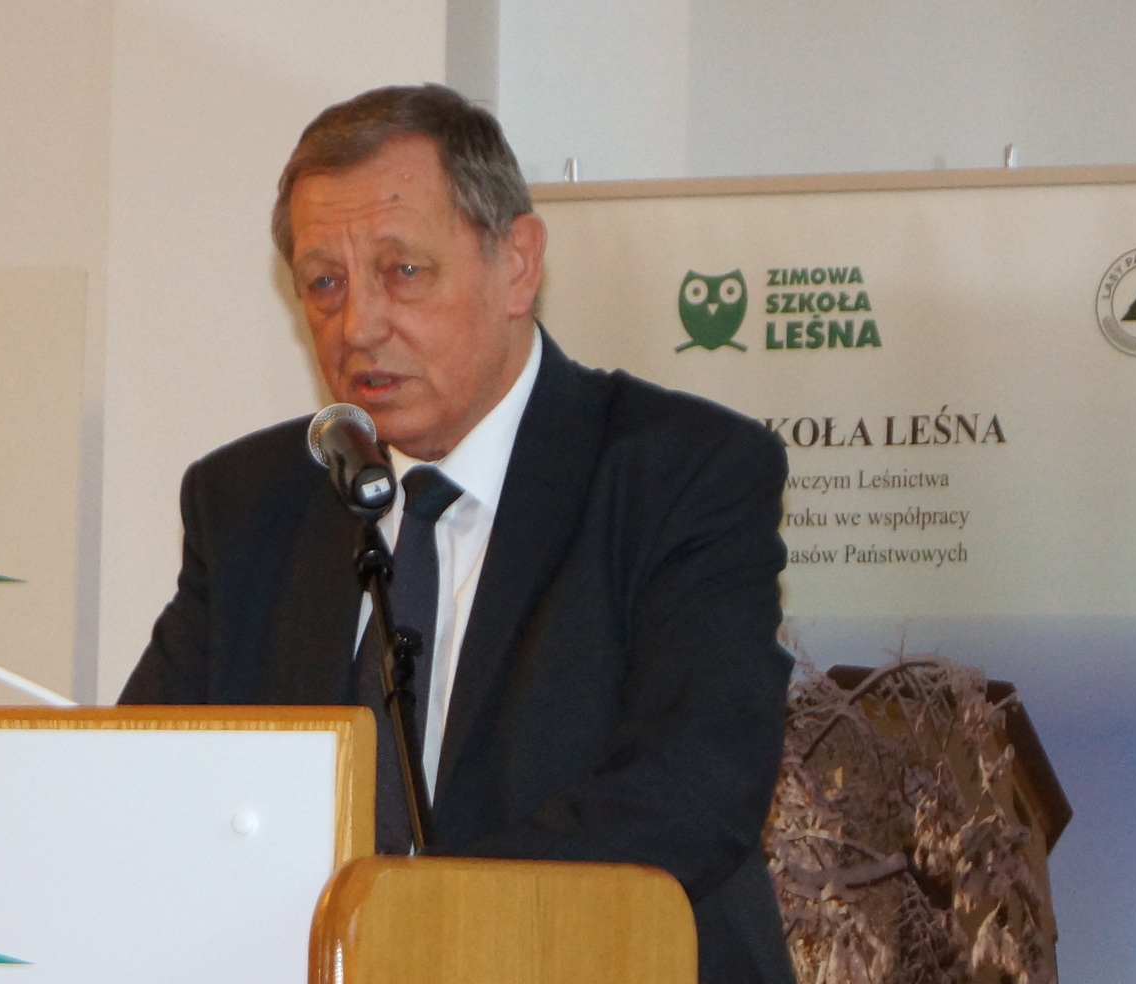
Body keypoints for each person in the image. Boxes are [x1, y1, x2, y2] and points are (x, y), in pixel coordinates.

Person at [120, 83, 795, 984]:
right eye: (324, 283)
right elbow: (142, 783)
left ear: (517, 263)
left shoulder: (680, 474)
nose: (358, 325)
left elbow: (692, 791)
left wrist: (410, 926)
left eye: (403, 271)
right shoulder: (248, 504)